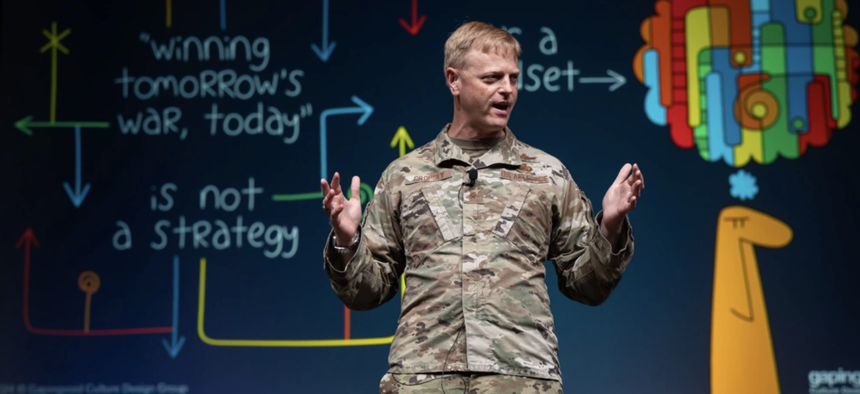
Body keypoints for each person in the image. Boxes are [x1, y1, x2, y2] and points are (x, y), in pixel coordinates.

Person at [320, 21, 642, 393]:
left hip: (521, 379)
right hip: (422, 379)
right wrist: (346, 242)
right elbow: (367, 292)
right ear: (454, 81)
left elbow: (587, 286)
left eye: (513, 78)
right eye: (491, 78)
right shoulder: (404, 176)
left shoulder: (547, 174)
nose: (507, 89)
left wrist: (611, 227)